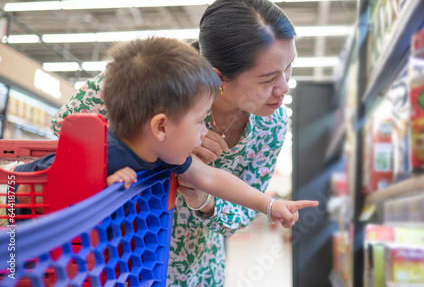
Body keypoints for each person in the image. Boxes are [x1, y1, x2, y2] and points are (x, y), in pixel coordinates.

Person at [51, 0, 297, 286]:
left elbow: (228, 195)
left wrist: (206, 201)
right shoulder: (153, 77)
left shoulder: (272, 125)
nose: (284, 86)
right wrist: (144, 145)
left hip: (195, 269)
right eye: (269, 78)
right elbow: (63, 127)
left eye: (289, 68)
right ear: (219, 77)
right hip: (115, 255)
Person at [14, 37, 317, 225]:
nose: (204, 133)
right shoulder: (102, 151)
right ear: (160, 126)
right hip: (20, 216)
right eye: (200, 122)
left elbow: (212, 178)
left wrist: (271, 204)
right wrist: (100, 182)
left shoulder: (166, 154)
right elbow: (41, 185)